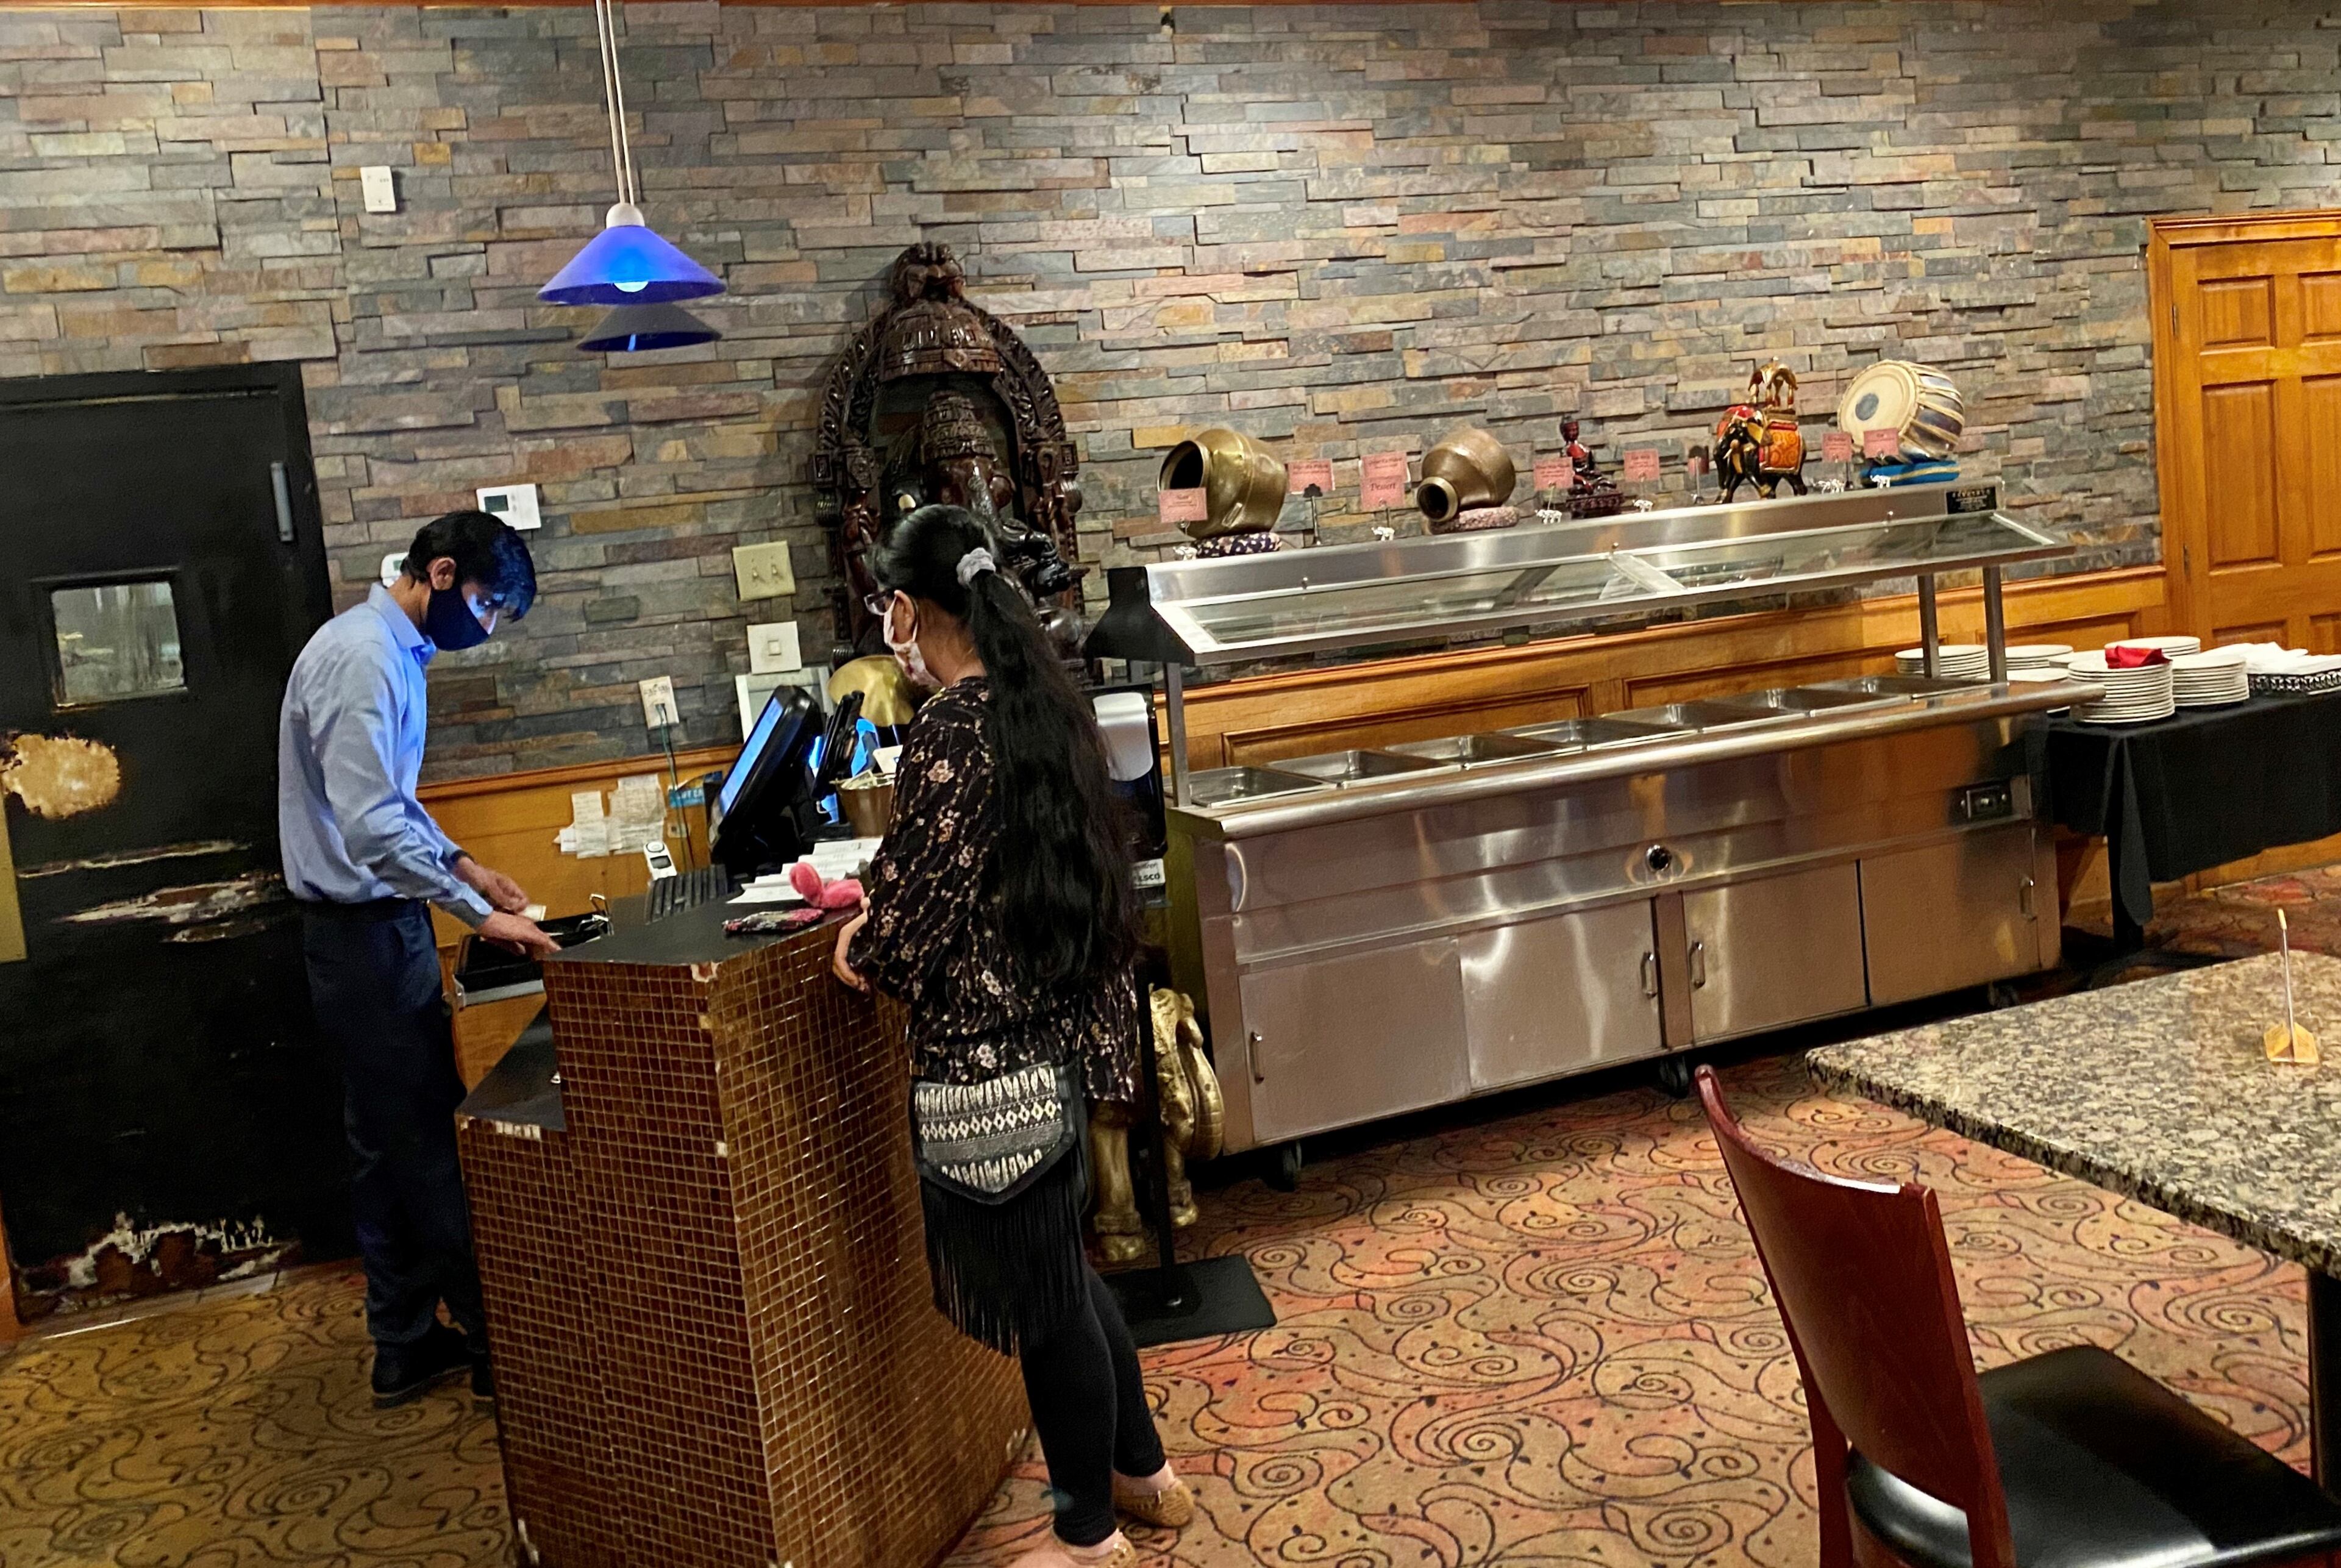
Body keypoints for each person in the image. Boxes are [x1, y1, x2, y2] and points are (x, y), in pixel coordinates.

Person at [832, 504, 1191, 1567]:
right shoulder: (1040, 705)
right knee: (1067, 1280)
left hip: (984, 1073)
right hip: (1055, 1056)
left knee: (1046, 1307)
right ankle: (1144, 1474)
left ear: (906, 609)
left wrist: (864, 939)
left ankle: (1085, 1534)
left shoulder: (948, 729)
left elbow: (910, 925)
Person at [278, 509, 559, 1409]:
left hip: (368, 930)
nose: (484, 631)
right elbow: (369, 831)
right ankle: (498, 1350)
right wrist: (478, 913)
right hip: (362, 938)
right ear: (438, 575)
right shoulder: (362, 657)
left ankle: (401, 1341)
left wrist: (469, 864)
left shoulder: (394, 653)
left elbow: (395, 804)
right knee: (430, 1144)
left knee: (382, 1146)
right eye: (484, 607)